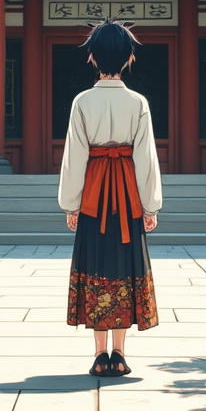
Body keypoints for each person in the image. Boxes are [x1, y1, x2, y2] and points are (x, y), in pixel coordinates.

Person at [58, 19, 162, 378]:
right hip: (127, 196)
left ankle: (99, 354)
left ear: (92, 58)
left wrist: (71, 204)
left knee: (96, 267)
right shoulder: (138, 103)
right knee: (124, 267)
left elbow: (75, 156)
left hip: (93, 197)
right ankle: (120, 352)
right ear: (129, 58)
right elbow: (145, 157)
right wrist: (150, 205)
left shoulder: (82, 102)